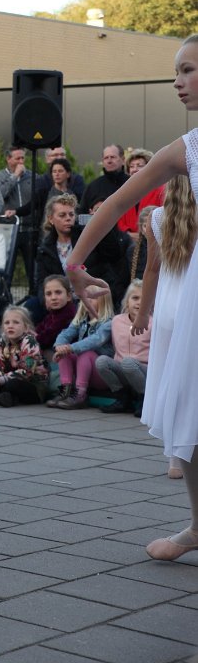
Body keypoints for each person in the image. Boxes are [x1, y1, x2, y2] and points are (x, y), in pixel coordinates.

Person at [66, 34, 198, 561]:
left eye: (187, 70)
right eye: (177, 71)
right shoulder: (187, 150)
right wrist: (74, 263)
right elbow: (114, 200)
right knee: (189, 403)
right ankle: (197, 523)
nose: (176, 81)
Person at [139, 178, 196, 480]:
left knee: (169, 381)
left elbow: (151, 270)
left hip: (167, 307)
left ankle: (174, 458)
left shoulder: (157, 217)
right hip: (193, 306)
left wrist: (141, 315)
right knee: (191, 384)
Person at [48, 291, 114, 409]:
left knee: (85, 353)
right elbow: (65, 334)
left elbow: (96, 340)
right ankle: (66, 390)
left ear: (103, 302)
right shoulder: (82, 320)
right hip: (83, 372)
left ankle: (81, 395)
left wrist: (70, 348)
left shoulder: (108, 323)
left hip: (102, 374)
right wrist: (59, 346)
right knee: (65, 354)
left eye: (92, 298)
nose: (86, 300)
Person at [95, 279, 151, 415]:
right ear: (127, 301)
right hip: (123, 367)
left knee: (128, 362)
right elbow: (97, 339)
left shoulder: (154, 322)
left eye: (144, 299)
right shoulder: (117, 321)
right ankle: (122, 398)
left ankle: (145, 399)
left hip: (145, 370)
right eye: (135, 298)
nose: (139, 302)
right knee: (101, 361)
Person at [0, 146, 34, 281]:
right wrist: (15, 176)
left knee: (32, 268)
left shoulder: (32, 176)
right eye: (18, 158)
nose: (21, 161)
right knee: (7, 268)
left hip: (28, 228)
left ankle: (33, 295)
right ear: (8, 159)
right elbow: (0, 194)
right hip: (9, 228)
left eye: (23, 158)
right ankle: (4, 296)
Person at [117, 149, 164, 240]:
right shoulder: (124, 193)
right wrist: (129, 235)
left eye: (139, 166)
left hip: (153, 241)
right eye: (131, 166)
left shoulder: (160, 190)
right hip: (128, 243)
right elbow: (119, 220)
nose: (134, 169)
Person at [78, 144, 127, 215]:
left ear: (123, 160)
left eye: (113, 157)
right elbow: (82, 214)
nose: (109, 161)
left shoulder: (131, 183)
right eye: (106, 158)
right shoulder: (93, 187)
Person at [34, 274, 77, 353]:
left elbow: (47, 339)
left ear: (69, 296)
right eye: (49, 294)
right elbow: (41, 327)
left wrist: (33, 337)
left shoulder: (69, 314)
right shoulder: (54, 313)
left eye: (58, 292)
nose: (53, 297)